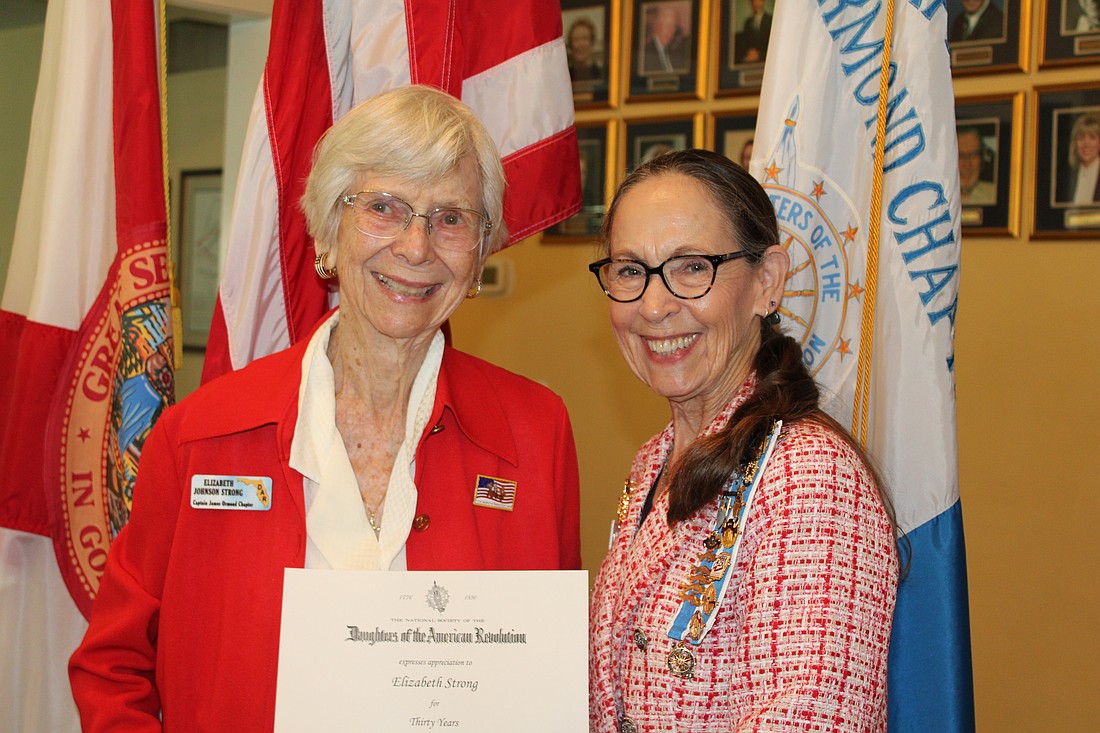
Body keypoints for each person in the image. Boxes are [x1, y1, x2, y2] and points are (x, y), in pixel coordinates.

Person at [69, 85, 582, 731]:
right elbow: (112, 663)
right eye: (384, 207)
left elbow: (548, 671)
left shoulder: (536, 431)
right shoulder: (199, 434)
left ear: (480, 253)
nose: (417, 247)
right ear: (329, 232)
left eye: (451, 217)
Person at [587, 149, 898, 731]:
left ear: (767, 283)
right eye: (630, 270)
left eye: (692, 266)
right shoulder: (652, 461)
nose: (654, 306)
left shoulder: (811, 479)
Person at [1057, 112, 1100, 205]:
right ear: (1075, 143)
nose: (1086, 144)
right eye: (1081, 138)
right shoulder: (1066, 175)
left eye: (1092, 138)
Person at [642, 3, 691, 74]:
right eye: (668, 26)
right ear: (658, 25)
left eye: (674, 27)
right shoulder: (647, 52)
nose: (671, 31)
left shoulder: (672, 53)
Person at [957, 125, 996, 205]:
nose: (967, 164)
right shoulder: (930, 198)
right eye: (961, 155)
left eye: (974, 155)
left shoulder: (993, 194)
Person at [567, 16, 603, 83]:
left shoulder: (601, 74)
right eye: (576, 39)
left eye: (585, 38)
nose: (580, 44)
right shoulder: (565, 75)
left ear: (591, 42)